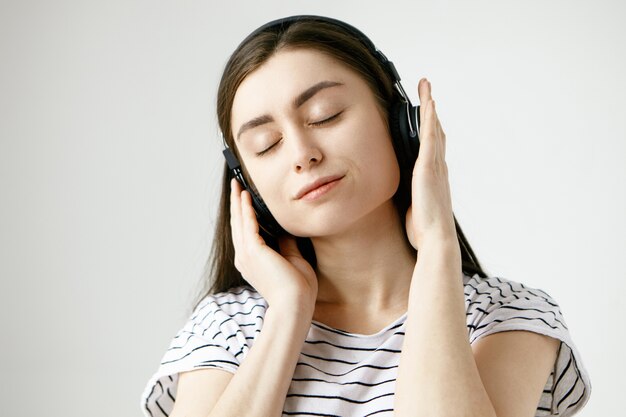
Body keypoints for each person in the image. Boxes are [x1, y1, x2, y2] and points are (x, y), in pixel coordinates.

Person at [140, 15, 591, 417]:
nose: (302, 154)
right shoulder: (227, 327)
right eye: (267, 145)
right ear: (248, 185)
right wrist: (287, 312)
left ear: (401, 123)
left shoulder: (509, 315)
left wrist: (437, 249)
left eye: (325, 115)